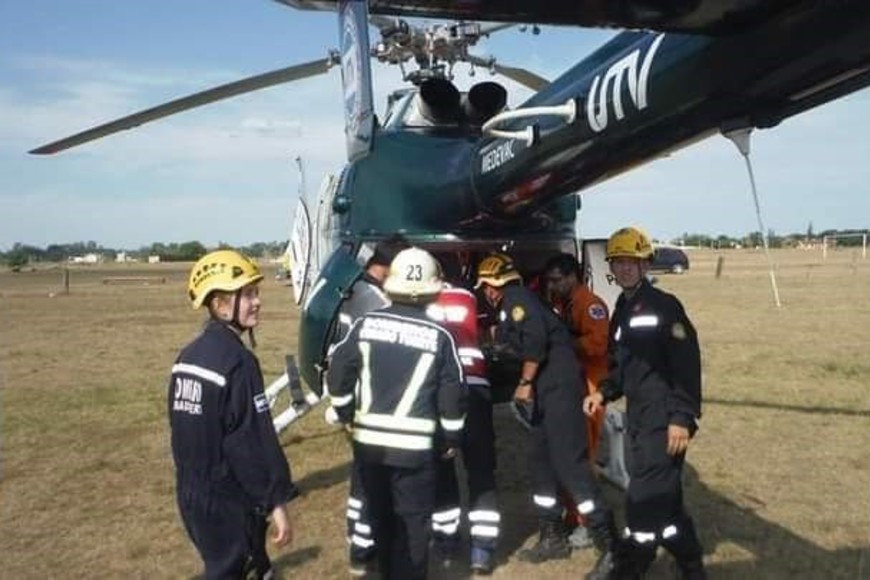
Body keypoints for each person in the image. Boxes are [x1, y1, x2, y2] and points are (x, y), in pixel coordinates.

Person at [474, 253, 620, 579]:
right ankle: (552, 535)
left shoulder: (517, 300)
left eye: (485, 286)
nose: (486, 292)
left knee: (572, 466)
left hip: (559, 390)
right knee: (541, 463)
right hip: (549, 391)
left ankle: (611, 546)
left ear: (492, 286)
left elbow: (536, 342)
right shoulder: (521, 301)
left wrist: (524, 383)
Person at [327, 247, 467, 580]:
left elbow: (338, 374)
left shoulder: (366, 324)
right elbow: (453, 397)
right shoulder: (440, 336)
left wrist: (345, 412)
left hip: (369, 448)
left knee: (382, 522)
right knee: (413, 530)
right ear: (433, 288)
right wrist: (452, 437)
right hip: (416, 454)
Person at [583, 227, 706, 579]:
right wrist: (602, 393)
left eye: (631, 262)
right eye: (618, 262)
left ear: (645, 264)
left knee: (642, 502)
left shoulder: (664, 306)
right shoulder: (622, 308)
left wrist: (682, 417)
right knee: (667, 509)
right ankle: (693, 567)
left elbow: (687, 364)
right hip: (639, 419)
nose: (624, 268)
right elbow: (622, 369)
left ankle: (628, 567)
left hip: (665, 422)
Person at [169, 249, 298, 579]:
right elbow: (251, 441)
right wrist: (275, 501)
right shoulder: (238, 363)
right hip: (227, 498)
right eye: (248, 295)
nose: (257, 302)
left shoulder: (187, 357)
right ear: (220, 305)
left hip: (191, 494)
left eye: (257, 293)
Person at [329, 236, 409, 577]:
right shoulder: (373, 300)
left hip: (357, 397)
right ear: (389, 267)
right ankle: (364, 548)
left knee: (364, 474)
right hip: (370, 401)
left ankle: (359, 542)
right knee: (370, 477)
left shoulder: (356, 289)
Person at [426, 263, 500, 575]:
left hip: (440, 391)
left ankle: (446, 541)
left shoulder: (418, 301)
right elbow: (486, 330)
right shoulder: (469, 297)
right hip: (476, 387)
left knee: (442, 467)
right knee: (481, 469)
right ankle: (482, 549)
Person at [543, 253, 610, 548]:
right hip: (574, 385)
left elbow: (598, 344)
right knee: (569, 454)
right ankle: (573, 514)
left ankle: (587, 523)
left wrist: (564, 343)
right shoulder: (565, 303)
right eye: (550, 281)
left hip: (590, 387)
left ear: (572, 277)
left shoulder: (590, 305)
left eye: (557, 280)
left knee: (583, 455)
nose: (553, 286)